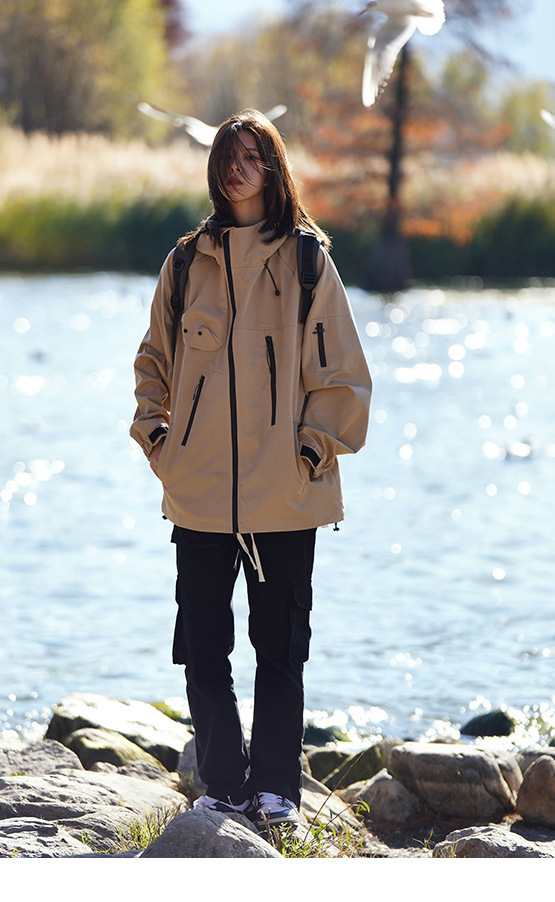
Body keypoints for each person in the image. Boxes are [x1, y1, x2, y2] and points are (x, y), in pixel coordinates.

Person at [130, 108, 372, 830]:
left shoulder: (307, 262)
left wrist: (311, 451)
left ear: (272, 168)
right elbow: (153, 363)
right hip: (198, 493)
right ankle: (223, 787)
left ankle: (275, 793)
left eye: (251, 157)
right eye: (227, 157)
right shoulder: (185, 263)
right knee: (203, 650)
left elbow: (344, 378)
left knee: (281, 651)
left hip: (287, 495)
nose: (236, 169)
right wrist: (158, 439)